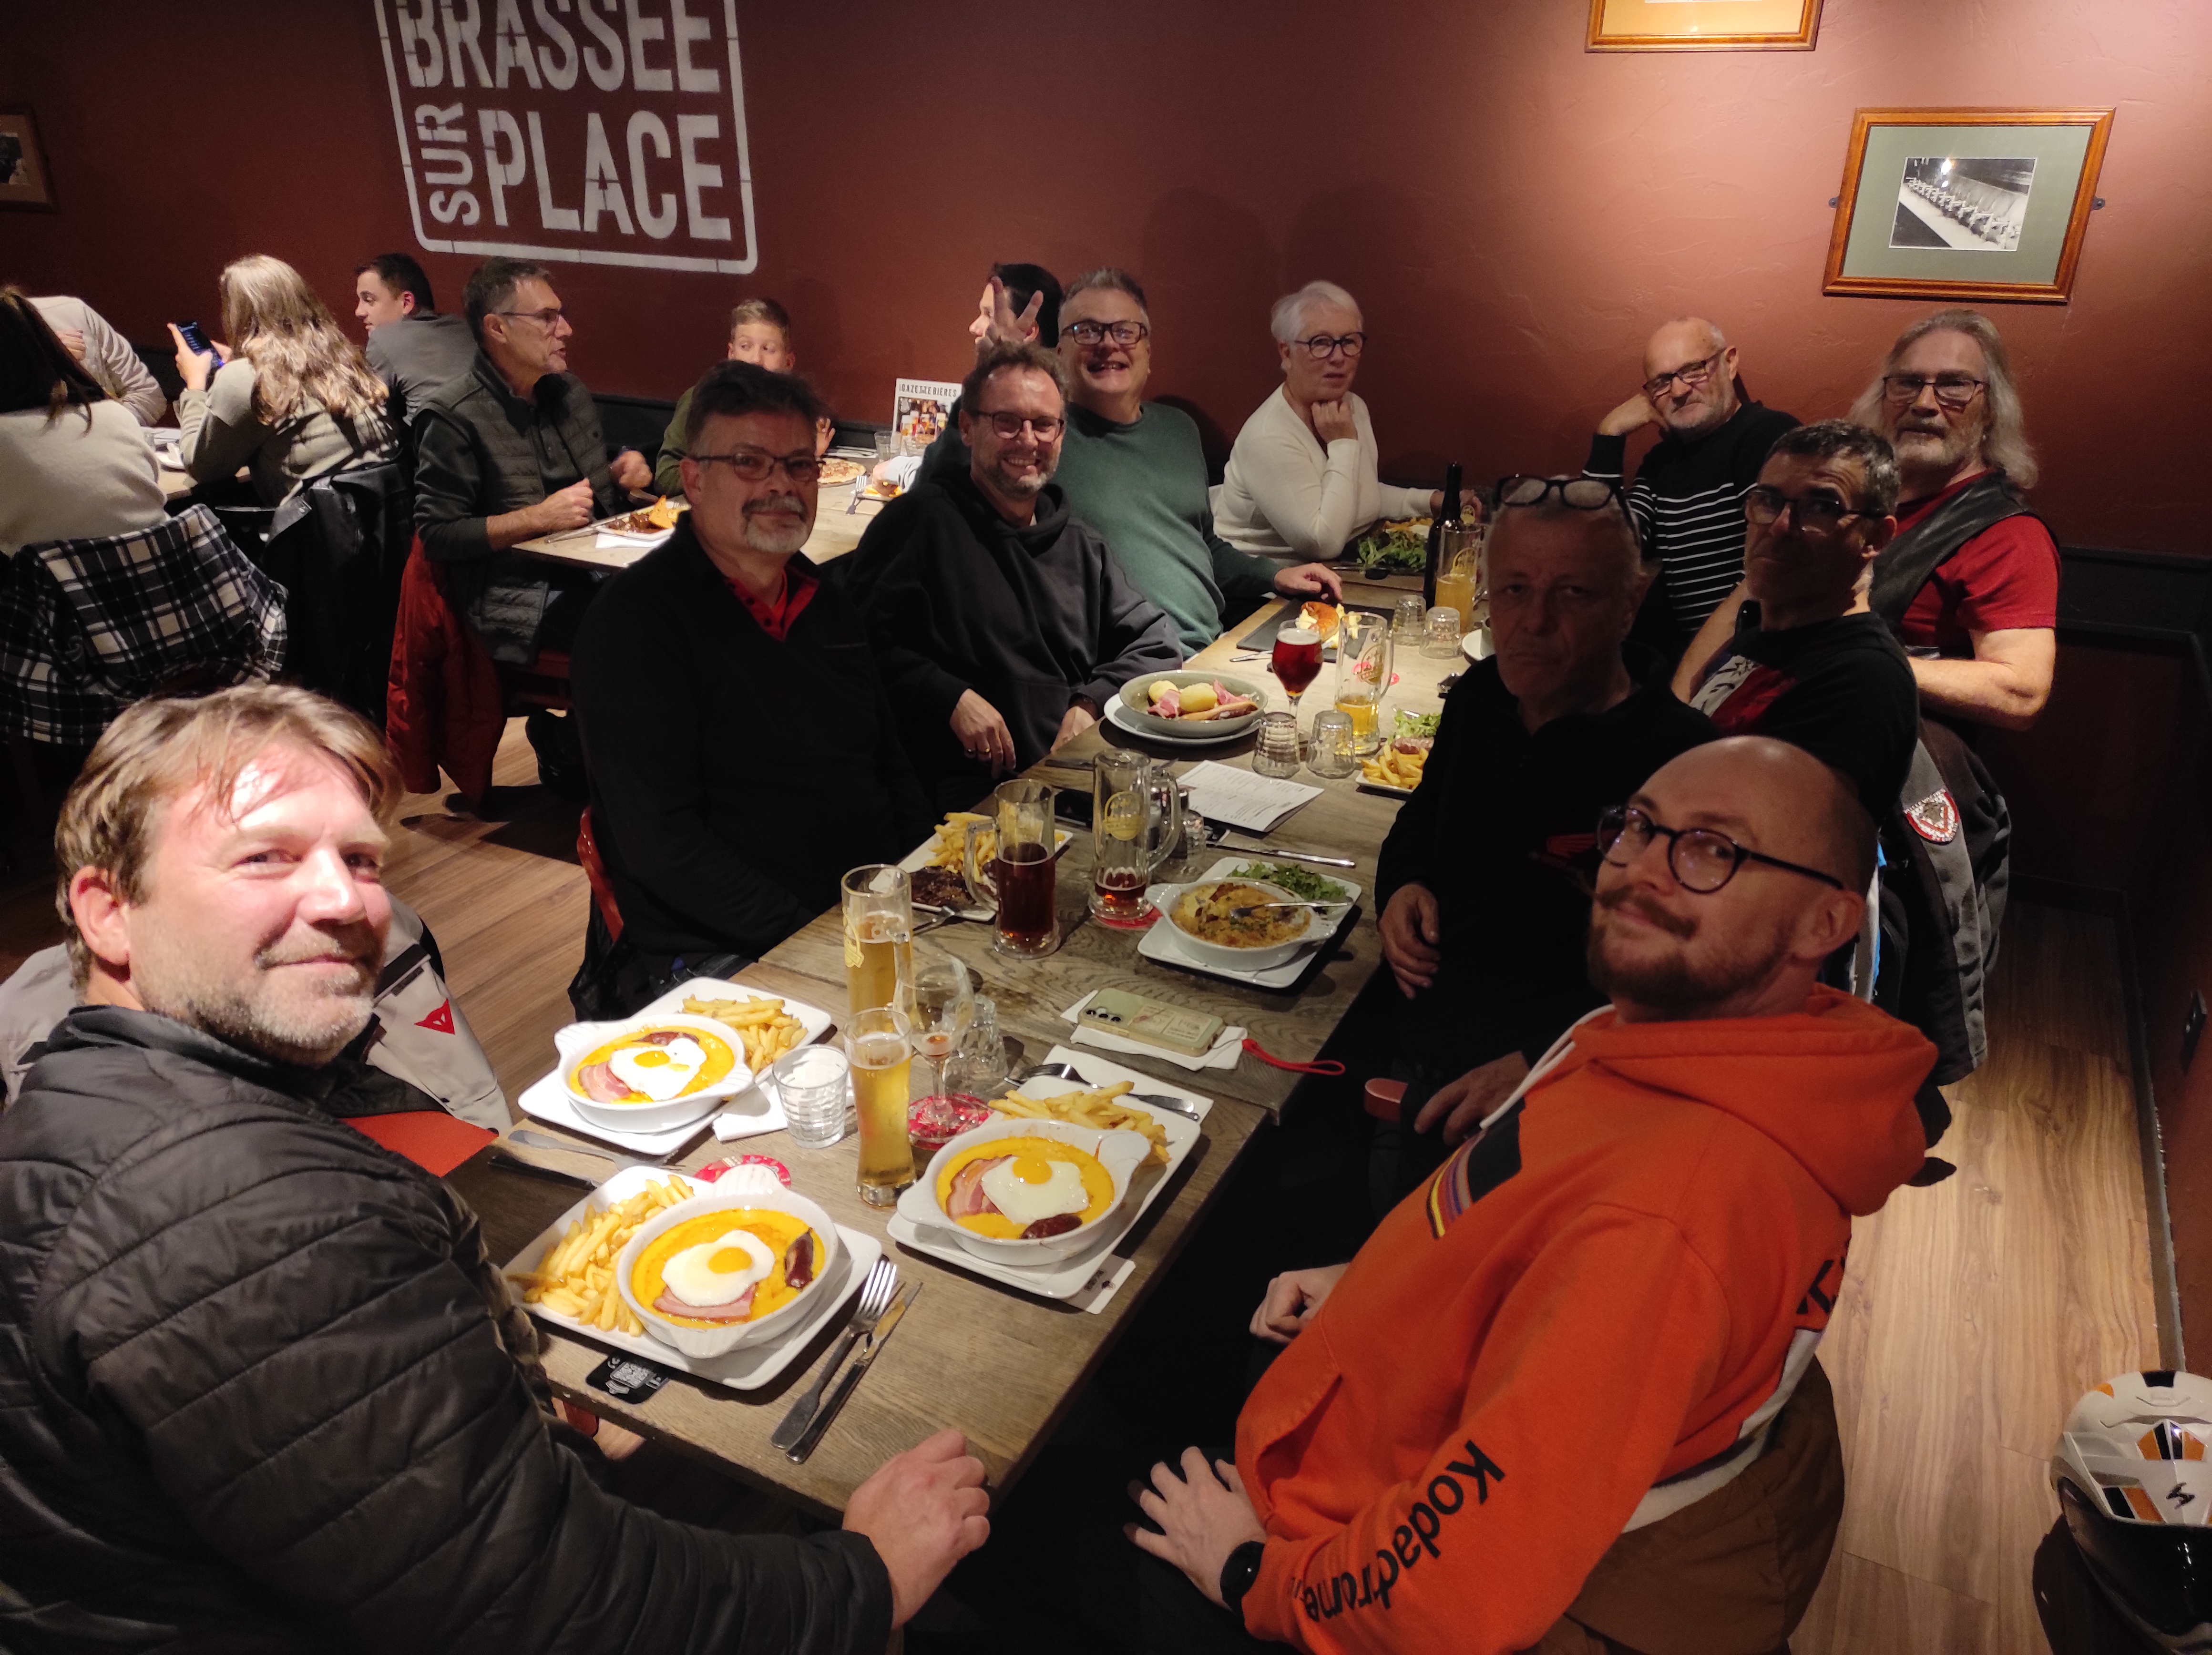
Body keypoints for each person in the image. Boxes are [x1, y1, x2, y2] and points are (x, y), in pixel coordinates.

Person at [0, 684, 989, 1650]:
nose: (346, 899)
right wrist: (863, 1581)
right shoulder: (249, 1213)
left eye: (361, 858)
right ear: (108, 911)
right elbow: (543, 1602)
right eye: (266, 856)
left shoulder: (69, 1099)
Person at [1129, 736, 1935, 1654]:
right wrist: (1371, 1277)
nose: (1640, 867)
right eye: (1637, 826)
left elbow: (1452, 1593)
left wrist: (1251, 1574)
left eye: (1715, 848)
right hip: (1366, 1411)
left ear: (1825, 921)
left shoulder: (1669, 1220)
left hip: (1329, 1558)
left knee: (1068, 1502)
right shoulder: (1687, 1044)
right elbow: (1521, 1225)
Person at [1372, 475, 1714, 1196]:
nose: (1533, 620)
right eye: (1514, 589)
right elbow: (1421, 819)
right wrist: (1402, 884)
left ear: (1628, 606)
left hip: (1566, 1110)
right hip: (1421, 1069)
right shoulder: (1479, 697)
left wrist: (1544, 1059)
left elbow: (1692, 983)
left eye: (1573, 593)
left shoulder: (1685, 765)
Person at [571, 362, 933, 1006]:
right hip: (725, 950)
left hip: (865, 917)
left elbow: (889, 761)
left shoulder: (825, 600)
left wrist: (919, 881)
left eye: (798, 465)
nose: (780, 485)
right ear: (693, 479)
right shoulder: (634, 623)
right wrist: (816, 942)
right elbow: (664, 847)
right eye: (749, 462)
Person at [840, 341, 1181, 812]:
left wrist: (1088, 704)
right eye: (1007, 422)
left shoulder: (1080, 544)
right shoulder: (918, 525)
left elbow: (1156, 643)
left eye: (1043, 424)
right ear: (967, 427)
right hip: (960, 796)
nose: (1027, 440)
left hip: (1070, 783)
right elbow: (852, 645)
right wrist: (950, 696)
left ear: (1061, 434)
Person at [1046, 267, 1341, 658]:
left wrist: (1275, 574)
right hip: (1126, 668)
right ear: (1059, 354)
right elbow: (964, 480)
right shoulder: (1042, 440)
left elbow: (1203, 544)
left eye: (1125, 331)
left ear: (1147, 352)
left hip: (1214, 649)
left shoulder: (1178, 429)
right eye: (1086, 331)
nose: (1108, 344)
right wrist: (993, 373)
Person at [412, 257, 655, 667]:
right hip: (522, 597)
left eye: (561, 315)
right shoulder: (454, 416)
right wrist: (537, 518)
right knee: (647, 632)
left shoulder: (568, 391)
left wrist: (617, 471)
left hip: (599, 565)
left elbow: (585, 494)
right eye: (547, 318)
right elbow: (438, 535)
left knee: (695, 597)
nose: (565, 330)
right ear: (497, 328)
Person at [1672, 421, 1921, 819]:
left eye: (1821, 507)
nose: (1780, 526)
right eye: (1769, 500)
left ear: (1875, 537)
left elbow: (1776, 837)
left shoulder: (1864, 678)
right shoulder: (1755, 638)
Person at [1849, 306, 2059, 732]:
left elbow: (2021, 691)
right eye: (1908, 383)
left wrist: (1852, 659)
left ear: (1991, 409)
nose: (1924, 404)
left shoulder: (2007, 534)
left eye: (1954, 386)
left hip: (1884, 748)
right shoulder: (1853, 495)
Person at [1582, 317, 1800, 660]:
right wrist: (1609, 437)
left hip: (1757, 659)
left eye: (1694, 370)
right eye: (1662, 382)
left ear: (1730, 363)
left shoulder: (1769, 436)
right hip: (1689, 661)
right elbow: (1603, 550)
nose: (1679, 391)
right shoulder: (1661, 462)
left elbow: (1771, 576)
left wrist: (1695, 675)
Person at [1214, 281, 1471, 561]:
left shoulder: (1352, 406)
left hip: (1339, 569)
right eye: (1320, 343)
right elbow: (1322, 543)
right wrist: (1343, 444)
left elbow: (1358, 498)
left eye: (1349, 342)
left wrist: (1430, 501)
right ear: (1286, 353)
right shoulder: (1268, 437)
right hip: (1262, 581)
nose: (1338, 358)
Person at [168, 255, 395, 507]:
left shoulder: (247, 378)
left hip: (313, 527)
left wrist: (195, 384)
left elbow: (201, 468)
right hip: (383, 519)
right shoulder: (346, 359)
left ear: (239, 314)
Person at [0, 288, 167, 556]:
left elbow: (149, 395)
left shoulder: (71, 313)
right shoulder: (116, 415)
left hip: (56, 580)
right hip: (162, 567)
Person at [654, 298, 836, 494]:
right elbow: (665, 476)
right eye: (745, 346)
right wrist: (721, 476)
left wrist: (806, 455)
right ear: (731, 354)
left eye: (768, 349)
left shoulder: (793, 407)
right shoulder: (702, 400)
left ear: (788, 362)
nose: (756, 359)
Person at [355, 251, 477, 430]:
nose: (359, 312)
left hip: (438, 445)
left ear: (406, 303)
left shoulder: (383, 340)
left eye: (369, 300)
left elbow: (370, 423)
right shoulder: (465, 328)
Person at [25, 293, 167, 425]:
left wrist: (108, 426)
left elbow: (149, 397)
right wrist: (46, 364)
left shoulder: (72, 313)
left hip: (109, 437)